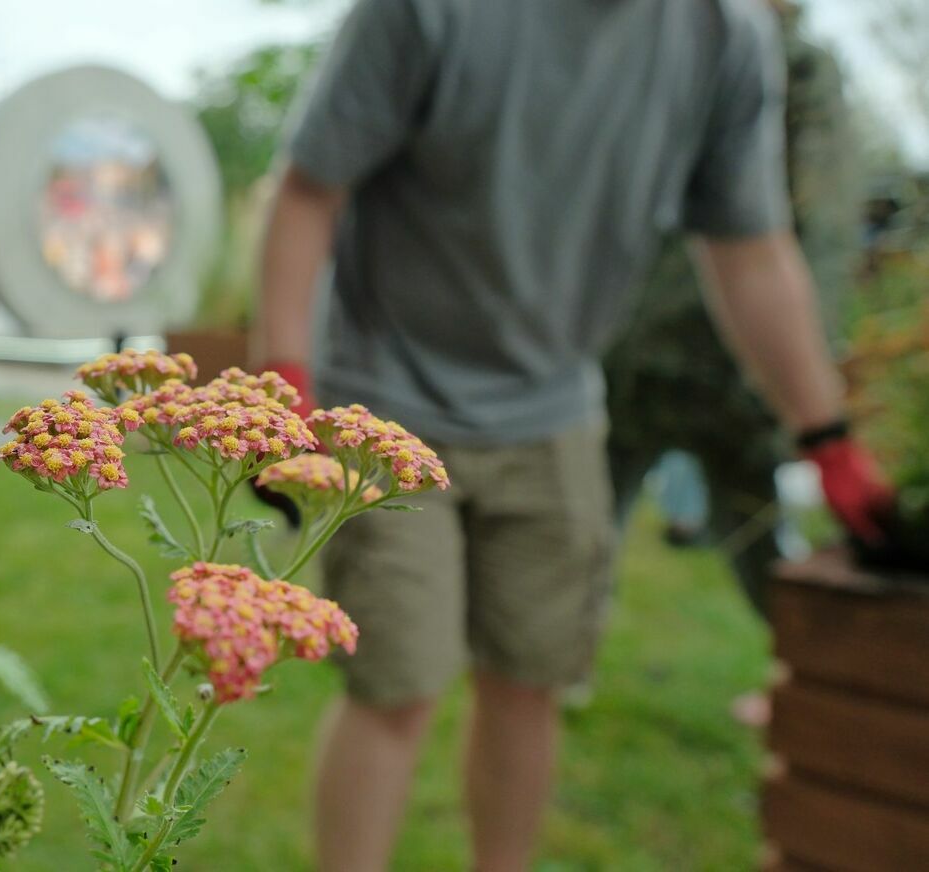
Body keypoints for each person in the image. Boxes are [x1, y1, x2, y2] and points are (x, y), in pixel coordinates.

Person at [252, 1, 895, 869]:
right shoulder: (425, 12)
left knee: (531, 681)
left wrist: (828, 439)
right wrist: (283, 386)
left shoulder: (724, 39)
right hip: (388, 405)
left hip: (553, 412)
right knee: (396, 689)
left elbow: (752, 253)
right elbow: (308, 190)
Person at [604, 0, 864, 617]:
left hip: (734, 365)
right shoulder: (672, 43)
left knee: (760, 542)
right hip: (634, 350)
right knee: (580, 530)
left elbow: (821, 223)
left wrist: (806, 379)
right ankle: (557, 666)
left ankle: (810, 675)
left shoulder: (799, 72)